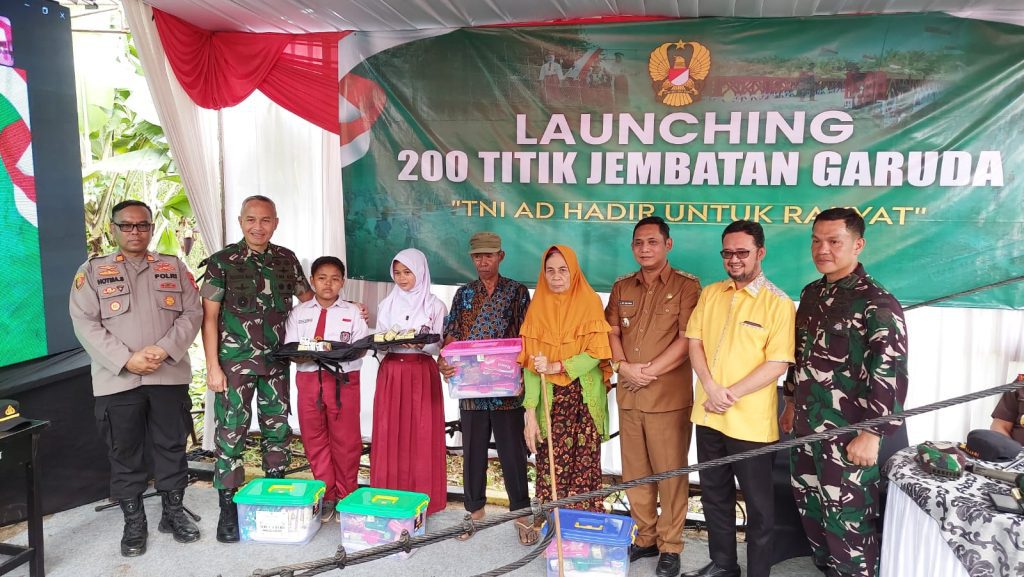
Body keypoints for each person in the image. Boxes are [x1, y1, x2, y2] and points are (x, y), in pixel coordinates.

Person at [69, 200, 203, 557]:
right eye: (126, 226)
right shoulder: (93, 272)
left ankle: (173, 513)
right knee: (124, 451)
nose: (135, 232)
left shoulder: (173, 266)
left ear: (151, 227)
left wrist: (163, 350)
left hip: (168, 374)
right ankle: (135, 523)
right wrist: (127, 359)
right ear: (113, 229)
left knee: (171, 447)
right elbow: (84, 323)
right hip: (118, 380)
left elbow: (193, 311)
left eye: (142, 225)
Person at [781, 208, 909, 577]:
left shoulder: (877, 303)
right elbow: (799, 356)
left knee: (848, 527)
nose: (823, 249)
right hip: (807, 431)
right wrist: (790, 402)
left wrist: (872, 434)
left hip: (849, 437)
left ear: (858, 245)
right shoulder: (811, 294)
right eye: (817, 241)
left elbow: (891, 374)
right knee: (813, 515)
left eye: (834, 241)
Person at [682, 220, 795, 577]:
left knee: (760, 507)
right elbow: (694, 341)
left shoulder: (778, 304)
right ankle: (724, 565)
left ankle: (758, 571)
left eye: (742, 252)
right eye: (727, 253)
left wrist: (729, 394)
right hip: (709, 415)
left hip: (750, 423)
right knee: (715, 496)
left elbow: (778, 363)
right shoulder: (712, 293)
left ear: (760, 253)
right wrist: (710, 388)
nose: (734, 260)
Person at [200, 195, 312, 543]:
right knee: (231, 431)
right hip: (234, 364)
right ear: (240, 221)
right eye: (250, 219)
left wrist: (346, 309)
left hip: (276, 362)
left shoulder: (286, 260)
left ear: (275, 222)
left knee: (277, 428)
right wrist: (212, 367)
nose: (257, 226)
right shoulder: (222, 263)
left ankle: (272, 496)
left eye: (265, 220)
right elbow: (209, 317)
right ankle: (228, 508)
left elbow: (308, 301)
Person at [604, 216, 701, 577]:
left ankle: (671, 546)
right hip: (629, 394)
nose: (645, 249)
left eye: (652, 242)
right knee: (635, 473)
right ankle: (645, 537)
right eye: (639, 243)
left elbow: (689, 339)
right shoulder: (621, 287)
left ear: (667, 245)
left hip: (667, 399)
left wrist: (650, 370)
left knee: (670, 475)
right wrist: (623, 365)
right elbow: (611, 330)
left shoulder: (688, 286)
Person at [437, 232, 533, 543]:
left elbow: (525, 336)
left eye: (489, 255)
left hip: (506, 387)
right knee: (473, 451)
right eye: (478, 255)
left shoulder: (517, 292)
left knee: (513, 453)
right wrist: (444, 360)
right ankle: (475, 511)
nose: (483, 260)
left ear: (501, 256)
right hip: (471, 388)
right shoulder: (463, 294)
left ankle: (521, 513)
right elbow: (451, 336)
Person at [521, 245, 612, 513]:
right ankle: (553, 526)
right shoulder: (537, 306)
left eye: (563, 270)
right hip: (551, 401)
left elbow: (596, 353)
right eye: (550, 271)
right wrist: (529, 413)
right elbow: (530, 365)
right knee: (551, 463)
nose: (556, 276)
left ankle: (581, 530)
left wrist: (557, 365)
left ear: (574, 272)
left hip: (584, 397)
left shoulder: (590, 301)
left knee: (584, 463)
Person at [283, 256, 369, 521]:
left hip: (343, 383)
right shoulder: (299, 313)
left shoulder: (352, 312)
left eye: (334, 279)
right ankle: (327, 495)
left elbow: (361, 347)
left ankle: (347, 496)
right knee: (314, 440)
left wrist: (334, 355)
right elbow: (292, 349)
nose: (328, 284)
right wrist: (313, 354)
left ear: (342, 282)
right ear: (312, 281)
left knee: (346, 442)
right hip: (309, 382)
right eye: (322, 278)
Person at [371, 248, 449, 515]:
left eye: (408, 272)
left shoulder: (435, 305)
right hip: (392, 372)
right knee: (390, 431)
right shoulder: (386, 304)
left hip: (421, 372)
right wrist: (390, 341)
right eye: (397, 272)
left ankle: (424, 499)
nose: (402, 278)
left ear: (421, 272)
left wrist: (420, 345)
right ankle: (388, 496)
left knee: (423, 432)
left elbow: (439, 345)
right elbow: (380, 342)